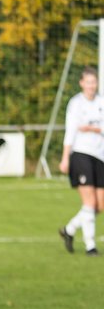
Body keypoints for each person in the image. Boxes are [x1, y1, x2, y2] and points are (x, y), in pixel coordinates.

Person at [58, 66, 104, 256]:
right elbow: (71, 131)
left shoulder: (101, 102)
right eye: (88, 82)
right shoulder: (76, 103)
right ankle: (90, 245)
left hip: (100, 156)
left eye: (94, 82)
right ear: (82, 83)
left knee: (99, 205)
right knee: (89, 202)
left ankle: (69, 229)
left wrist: (93, 129)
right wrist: (65, 157)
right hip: (80, 154)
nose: (91, 86)